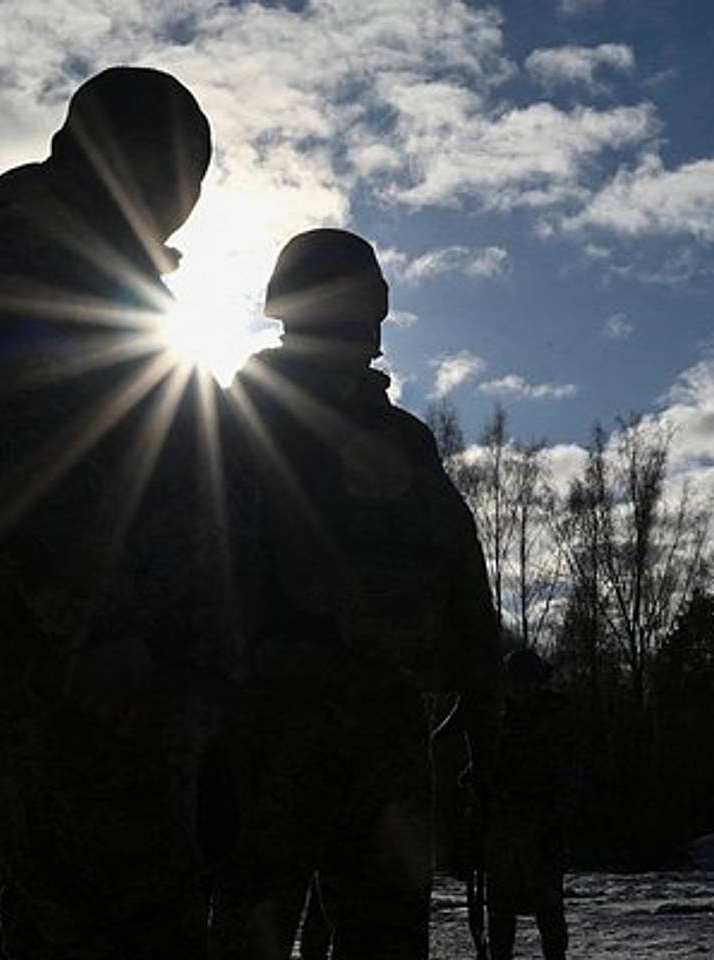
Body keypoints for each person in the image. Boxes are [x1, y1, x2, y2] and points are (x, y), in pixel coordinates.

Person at [0, 66, 238, 959]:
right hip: (73, 669)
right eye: (181, 174)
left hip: (117, 670)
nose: (186, 202)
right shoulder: (32, 269)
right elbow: (36, 485)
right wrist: (136, 671)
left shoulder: (114, 284)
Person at [210, 228, 501, 959]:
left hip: (366, 734)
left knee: (375, 935)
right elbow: (202, 574)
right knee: (261, 927)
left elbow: (461, 578)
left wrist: (484, 711)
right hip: (273, 727)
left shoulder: (401, 441)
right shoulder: (242, 422)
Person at [482, 648, 573, 960]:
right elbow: (487, 770)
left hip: (541, 827)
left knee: (549, 915)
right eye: (516, 682)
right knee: (499, 914)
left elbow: (567, 777)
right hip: (502, 829)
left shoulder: (556, 721)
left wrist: (554, 822)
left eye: (529, 681)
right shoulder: (497, 721)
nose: (522, 689)